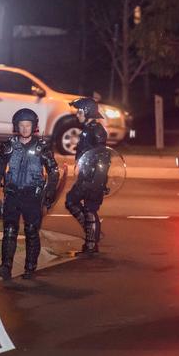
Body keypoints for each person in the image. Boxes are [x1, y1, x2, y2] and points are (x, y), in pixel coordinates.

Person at [0, 108, 59, 280]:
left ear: (33, 126)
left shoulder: (42, 147)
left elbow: (54, 171)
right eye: (21, 125)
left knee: (31, 231)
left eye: (28, 125)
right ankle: (6, 266)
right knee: (10, 230)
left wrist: (49, 194)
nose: (25, 128)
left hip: (32, 196)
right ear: (16, 126)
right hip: (12, 194)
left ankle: (30, 267)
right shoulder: (9, 146)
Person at [65, 97, 109, 254]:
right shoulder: (88, 129)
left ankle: (91, 244)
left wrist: (98, 182)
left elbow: (104, 158)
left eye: (79, 111)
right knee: (71, 201)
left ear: (87, 112)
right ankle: (92, 233)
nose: (77, 114)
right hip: (85, 176)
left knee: (89, 208)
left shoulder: (97, 131)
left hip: (93, 178)